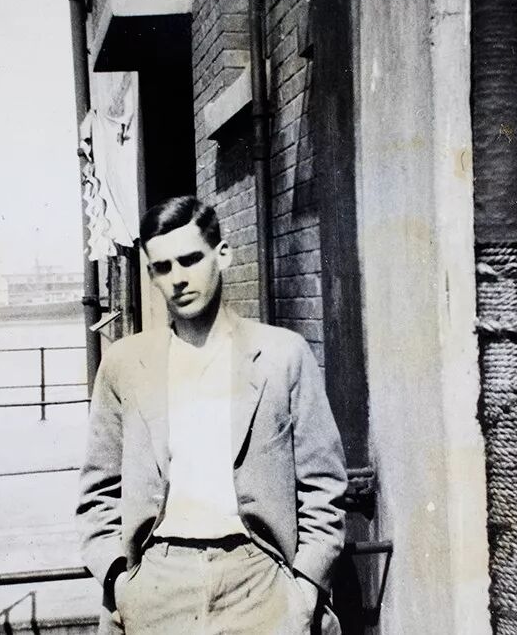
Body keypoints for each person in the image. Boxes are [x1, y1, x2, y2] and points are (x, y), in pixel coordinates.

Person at [77, 196, 348, 635]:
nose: (178, 278)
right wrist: (118, 582)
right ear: (151, 275)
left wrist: (303, 589)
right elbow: (97, 493)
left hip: (260, 582)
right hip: (158, 588)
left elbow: (323, 486)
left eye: (190, 260)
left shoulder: (282, 355)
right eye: (163, 267)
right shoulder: (125, 365)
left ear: (222, 255)